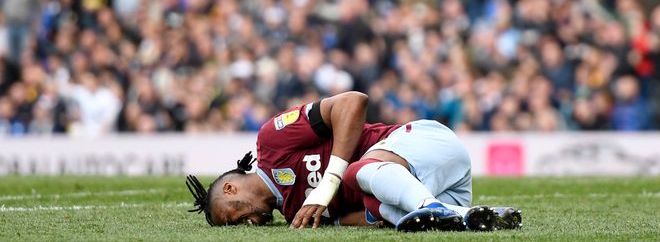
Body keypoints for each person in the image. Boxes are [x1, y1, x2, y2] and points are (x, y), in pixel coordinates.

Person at [185, 91, 522, 232]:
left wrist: (329, 181)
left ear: (229, 188)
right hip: (436, 186)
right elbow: (353, 218)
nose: (245, 225)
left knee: (353, 175)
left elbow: (352, 102)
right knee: (386, 212)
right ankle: (469, 215)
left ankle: (431, 207)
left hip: (424, 143)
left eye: (231, 217)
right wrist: (382, 219)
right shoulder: (293, 214)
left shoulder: (271, 143)